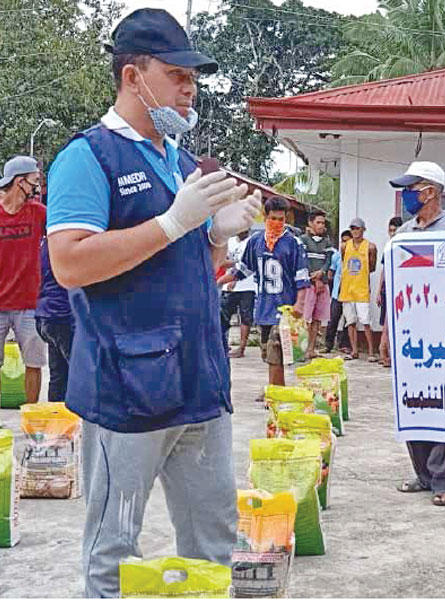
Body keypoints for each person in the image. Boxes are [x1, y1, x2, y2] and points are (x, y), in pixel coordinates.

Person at [45, 9, 261, 596]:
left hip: (199, 383)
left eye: (193, 78)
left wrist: (216, 237)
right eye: (176, 74)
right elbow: (69, 263)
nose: (190, 89)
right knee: (114, 551)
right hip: (128, 389)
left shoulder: (182, 162)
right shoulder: (88, 158)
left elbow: (189, 273)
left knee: (214, 542)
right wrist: (171, 222)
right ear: (132, 76)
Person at [389, 160, 445, 507]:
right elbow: (393, 285)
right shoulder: (404, 233)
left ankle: (444, 480)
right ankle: (423, 473)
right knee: (414, 402)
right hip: (412, 330)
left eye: (411, 188)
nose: (406, 195)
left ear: (430, 191)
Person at [234, 197, 310, 387]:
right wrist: (225, 279)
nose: (277, 222)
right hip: (264, 307)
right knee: (267, 353)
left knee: (276, 352)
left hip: (285, 308)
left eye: (281, 219)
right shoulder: (256, 241)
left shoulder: (294, 244)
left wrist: (300, 304)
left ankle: (275, 391)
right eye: (273, 218)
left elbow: (302, 277)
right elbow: (245, 268)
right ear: (265, 217)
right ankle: (276, 386)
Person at [0, 155, 47, 404]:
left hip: (30, 304)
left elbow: (62, 235)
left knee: (34, 363)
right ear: (20, 182)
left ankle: (31, 417)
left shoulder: (39, 213)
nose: (37, 186)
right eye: (34, 180)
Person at [35, 236, 74, 402]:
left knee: (59, 376)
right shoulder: (65, 244)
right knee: (80, 373)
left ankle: (56, 423)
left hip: (45, 315)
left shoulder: (45, 243)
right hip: (63, 315)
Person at [339, 217, 377, 361]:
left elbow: (372, 267)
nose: (355, 231)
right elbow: (344, 262)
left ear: (363, 230)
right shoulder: (344, 246)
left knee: (366, 321)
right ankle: (354, 350)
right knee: (350, 322)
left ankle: (371, 352)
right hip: (347, 289)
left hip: (361, 289)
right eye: (352, 228)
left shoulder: (370, 247)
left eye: (357, 228)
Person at [300, 210, 333, 360]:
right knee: (305, 318)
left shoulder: (327, 242)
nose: (321, 225)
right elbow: (303, 261)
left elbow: (328, 260)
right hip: (308, 284)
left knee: (317, 319)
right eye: (318, 222)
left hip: (322, 283)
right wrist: (314, 277)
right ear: (310, 223)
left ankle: (312, 348)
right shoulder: (303, 240)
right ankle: (302, 349)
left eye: (323, 223)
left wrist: (322, 273)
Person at [219, 230, 258, 358]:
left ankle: (241, 348)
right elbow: (222, 261)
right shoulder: (229, 242)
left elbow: (250, 265)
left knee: (245, 318)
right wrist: (238, 263)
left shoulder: (252, 242)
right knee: (223, 317)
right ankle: (223, 345)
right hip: (228, 284)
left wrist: (236, 275)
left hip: (247, 285)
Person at [377, 216, 403, 367]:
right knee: (386, 323)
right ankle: (384, 352)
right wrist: (379, 290)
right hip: (388, 289)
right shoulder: (389, 248)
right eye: (390, 230)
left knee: (392, 322)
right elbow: (384, 270)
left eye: (395, 230)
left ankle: (387, 352)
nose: (392, 233)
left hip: (398, 289)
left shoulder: (401, 247)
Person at [324, 230, 353, 354]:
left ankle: (344, 344)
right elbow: (331, 272)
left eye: (347, 242)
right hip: (337, 292)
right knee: (333, 318)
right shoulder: (336, 256)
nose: (344, 245)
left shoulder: (355, 256)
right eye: (343, 241)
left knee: (348, 320)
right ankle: (328, 344)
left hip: (350, 292)